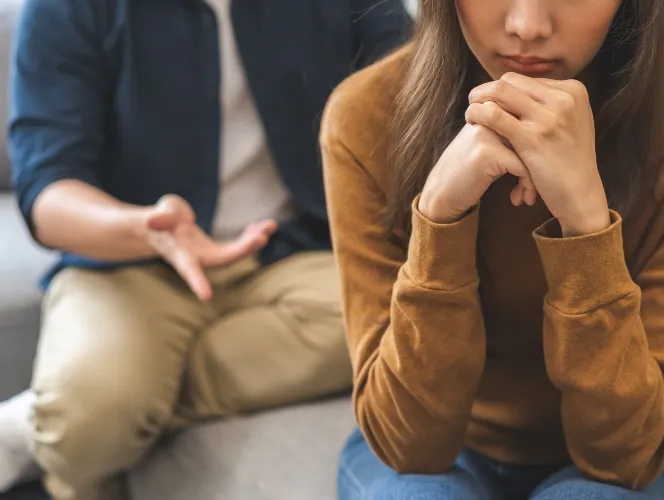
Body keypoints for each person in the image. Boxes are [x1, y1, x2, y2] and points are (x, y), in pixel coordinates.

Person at [320, 0, 664, 499]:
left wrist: (586, 226)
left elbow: (627, 457)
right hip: (442, 446)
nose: (527, 26)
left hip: (633, 451)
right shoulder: (366, 115)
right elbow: (410, 448)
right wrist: (440, 218)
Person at [0, 0, 410, 499]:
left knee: (404, 328)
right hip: (130, 259)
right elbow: (47, 189)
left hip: (289, 251)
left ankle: (76, 412)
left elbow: (416, 88)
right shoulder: (68, 8)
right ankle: (90, 409)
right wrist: (143, 228)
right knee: (91, 419)